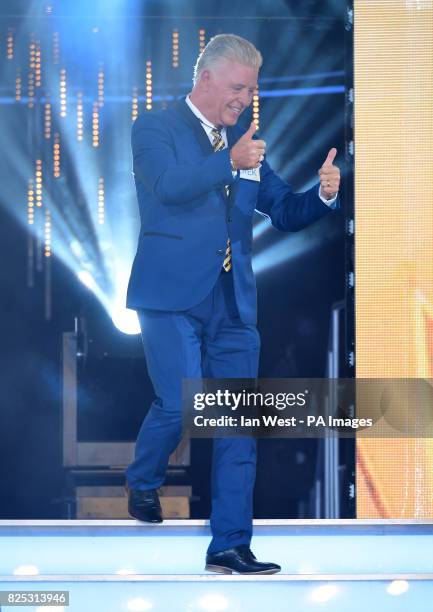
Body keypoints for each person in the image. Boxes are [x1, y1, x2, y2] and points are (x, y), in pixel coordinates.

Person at [125, 34, 340, 574]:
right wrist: (230, 163)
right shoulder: (156, 127)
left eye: (250, 91)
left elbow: (284, 212)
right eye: (237, 87)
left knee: (236, 423)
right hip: (171, 294)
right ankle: (142, 480)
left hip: (233, 304)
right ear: (206, 80)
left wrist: (324, 194)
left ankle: (229, 544)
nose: (244, 98)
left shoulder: (244, 144)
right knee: (178, 403)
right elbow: (168, 185)